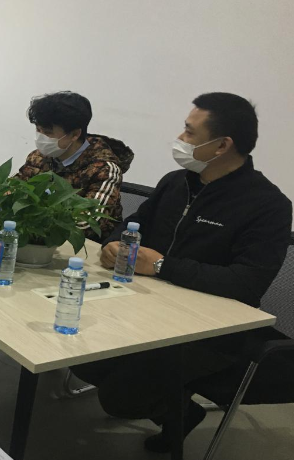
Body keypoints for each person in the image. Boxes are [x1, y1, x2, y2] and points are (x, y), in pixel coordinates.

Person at [72, 92, 292, 452]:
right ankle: (172, 407)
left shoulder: (268, 205)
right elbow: (133, 224)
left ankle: (181, 414)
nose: (180, 138)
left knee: (121, 398)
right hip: (145, 304)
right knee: (79, 352)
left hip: (211, 331)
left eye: (190, 132)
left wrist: (161, 266)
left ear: (222, 145)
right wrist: (113, 244)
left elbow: (246, 283)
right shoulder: (176, 183)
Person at [15, 91, 134, 242]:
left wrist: (30, 222)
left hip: (89, 248)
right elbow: (13, 190)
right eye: (38, 130)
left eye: (48, 132)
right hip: (37, 240)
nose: (41, 137)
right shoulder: (38, 157)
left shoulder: (104, 169)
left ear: (75, 134)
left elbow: (87, 223)